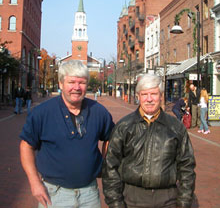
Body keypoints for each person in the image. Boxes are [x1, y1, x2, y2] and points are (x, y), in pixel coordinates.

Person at [20, 60, 114, 208]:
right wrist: (34, 182)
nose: (76, 88)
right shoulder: (42, 113)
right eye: (71, 82)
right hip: (54, 194)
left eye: (82, 83)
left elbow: (111, 138)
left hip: (89, 194)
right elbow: (26, 146)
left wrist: (105, 164)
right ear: (61, 84)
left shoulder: (98, 111)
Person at [102, 73, 196, 208]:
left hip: (167, 199)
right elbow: (110, 167)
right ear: (138, 97)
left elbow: (187, 167)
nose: (149, 99)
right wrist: (116, 203)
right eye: (145, 94)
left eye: (154, 94)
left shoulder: (175, 127)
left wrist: (184, 202)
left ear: (161, 96)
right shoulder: (124, 126)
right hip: (132, 198)